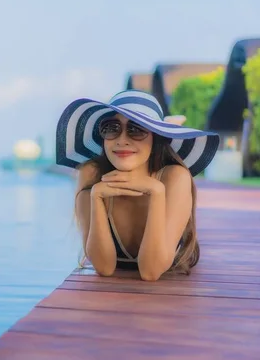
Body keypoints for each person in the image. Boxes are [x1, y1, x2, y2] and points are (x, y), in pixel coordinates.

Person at [55, 90, 219, 281]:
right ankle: (163, 124)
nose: (122, 140)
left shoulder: (175, 176)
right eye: (111, 128)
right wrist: (96, 197)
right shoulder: (90, 174)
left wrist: (157, 192)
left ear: (156, 138)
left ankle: (166, 125)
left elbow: (150, 272)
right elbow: (104, 268)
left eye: (137, 129)